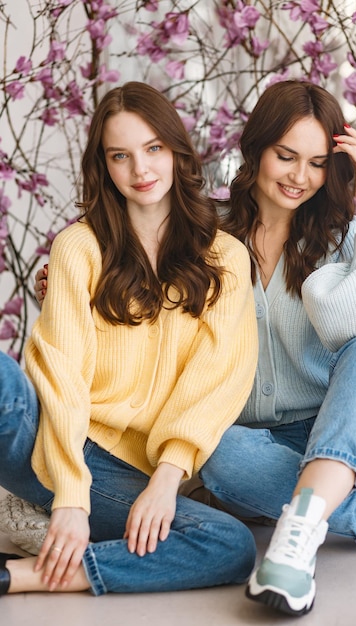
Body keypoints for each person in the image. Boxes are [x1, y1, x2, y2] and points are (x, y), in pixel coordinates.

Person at [33, 80, 356, 616]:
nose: (299, 177)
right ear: (256, 149)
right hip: (256, 454)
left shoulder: (340, 238)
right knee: (210, 450)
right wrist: (66, 285)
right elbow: (135, 273)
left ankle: (302, 522)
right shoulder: (205, 235)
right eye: (285, 156)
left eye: (316, 163)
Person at [0, 81, 259, 597]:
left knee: (231, 545)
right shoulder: (78, 247)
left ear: (176, 152)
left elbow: (216, 382)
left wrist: (165, 481)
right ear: (105, 166)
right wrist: (71, 496)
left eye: (153, 149)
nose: (140, 171)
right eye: (121, 156)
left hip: (131, 474)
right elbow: (61, 374)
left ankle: (21, 574)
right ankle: (51, 519)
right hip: (50, 442)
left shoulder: (225, 256)